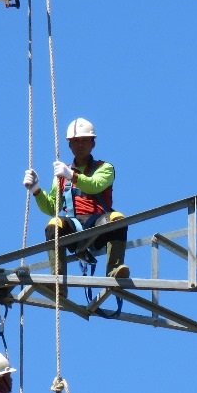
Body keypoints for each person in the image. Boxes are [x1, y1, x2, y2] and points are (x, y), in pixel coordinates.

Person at [23, 117, 129, 282]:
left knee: (117, 218)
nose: (80, 145)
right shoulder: (62, 174)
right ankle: (57, 280)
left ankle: (114, 269)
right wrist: (36, 189)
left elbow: (95, 185)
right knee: (54, 224)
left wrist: (71, 175)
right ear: (70, 144)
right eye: (76, 141)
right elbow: (52, 207)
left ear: (92, 143)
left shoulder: (104, 168)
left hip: (97, 223)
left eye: (84, 141)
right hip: (74, 225)